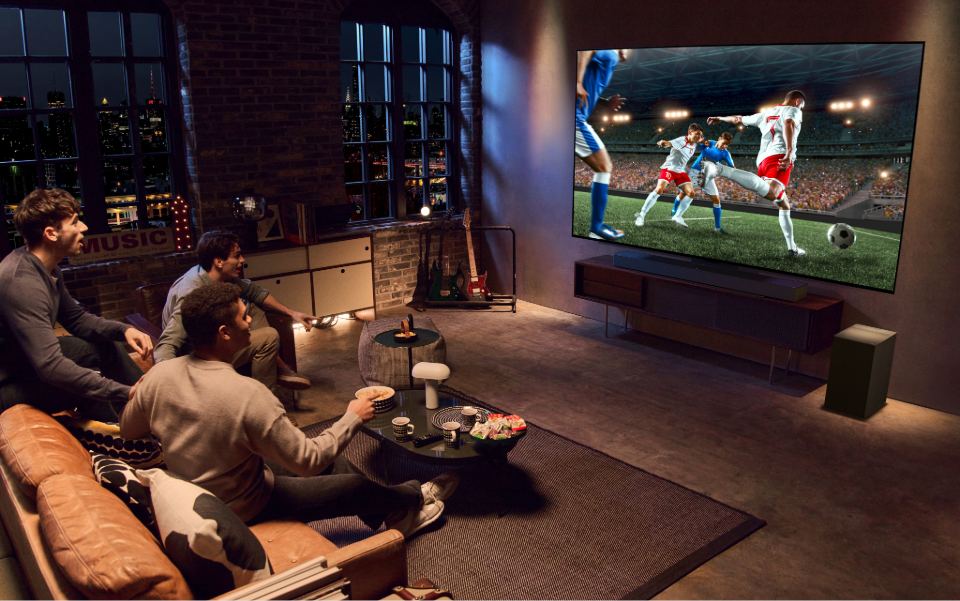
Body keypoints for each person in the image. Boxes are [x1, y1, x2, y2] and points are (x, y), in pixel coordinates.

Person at [121, 282, 457, 536]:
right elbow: (308, 461)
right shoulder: (248, 393)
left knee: (336, 463)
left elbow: (128, 429)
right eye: (243, 316)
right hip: (242, 507)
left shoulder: (159, 376)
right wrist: (352, 416)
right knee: (350, 486)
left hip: (203, 487)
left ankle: (396, 512)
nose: (250, 321)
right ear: (224, 333)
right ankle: (412, 497)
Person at [0, 188, 153, 421]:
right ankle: (123, 426)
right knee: (84, 378)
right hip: (8, 384)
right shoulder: (21, 282)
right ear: (51, 234)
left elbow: (77, 320)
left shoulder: (46, 267)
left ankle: (148, 405)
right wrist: (125, 391)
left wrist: (124, 330)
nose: (84, 227)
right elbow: (50, 366)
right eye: (74, 222)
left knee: (104, 345)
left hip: (23, 363)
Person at [154, 230, 313, 392]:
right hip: (199, 357)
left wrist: (292, 313)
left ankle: (279, 366)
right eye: (237, 256)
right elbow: (167, 344)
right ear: (219, 261)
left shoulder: (215, 274)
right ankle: (266, 400)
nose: (242, 260)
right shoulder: (192, 292)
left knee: (251, 307)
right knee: (269, 337)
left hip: (214, 338)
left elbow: (255, 292)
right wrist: (172, 386)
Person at [707, 90, 807, 256]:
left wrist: (720, 118)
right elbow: (789, 123)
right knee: (773, 193)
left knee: (784, 204)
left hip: (762, 161)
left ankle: (792, 248)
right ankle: (720, 169)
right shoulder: (793, 110)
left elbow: (738, 119)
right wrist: (789, 152)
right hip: (779, 156)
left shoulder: (765, 113)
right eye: (802, 106)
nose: (801, 108)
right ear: (797, 101)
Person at [576, 48, 629, 241]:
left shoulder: (610, 59)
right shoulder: (611, 53)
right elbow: (586, 50)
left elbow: (588, 89)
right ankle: (596, 228)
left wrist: (605, 103)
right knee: (604, 167)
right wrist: (577, 82)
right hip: (574, 119)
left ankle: (597, 227)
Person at [634, 123, 705, 227]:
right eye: (697, 134)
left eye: (700, 135)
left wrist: (701, 138)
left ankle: (677, 216)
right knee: (659, 189)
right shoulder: (681, 140)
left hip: (680, 171)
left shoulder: (694, 143)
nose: (699, 136)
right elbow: (669, 143)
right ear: (690, 132)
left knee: (691, 193)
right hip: (669, 168)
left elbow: (701, 139)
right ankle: (641, 215)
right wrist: (663, 143)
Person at [670, 132, 736, 232]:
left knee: (716, 200)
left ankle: (717, 228)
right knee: (684, 193)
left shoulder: (726, 153)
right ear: (719, 139)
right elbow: (697, 147)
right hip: (696, 171)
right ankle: (675, 210)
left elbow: (732, 167)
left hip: (708, 176)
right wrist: (700, 142)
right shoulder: (710, 143)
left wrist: (737, 173)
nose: (724, 146)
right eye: (723, 143)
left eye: (727, 144)